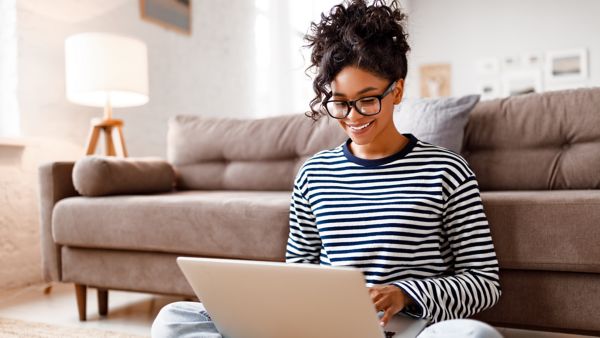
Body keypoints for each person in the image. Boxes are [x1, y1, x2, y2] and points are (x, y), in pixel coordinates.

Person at [151, 1, 502, 337]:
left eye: (367, 100)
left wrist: (404, 293)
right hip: (326, 329)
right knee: (174, 319)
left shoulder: (447, 170)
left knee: (473, 334)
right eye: (340, 103)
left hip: (409, 328)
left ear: (396, 91)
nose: (353, 117)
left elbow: (484, 282)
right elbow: (299, 273)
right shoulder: (313, 174)